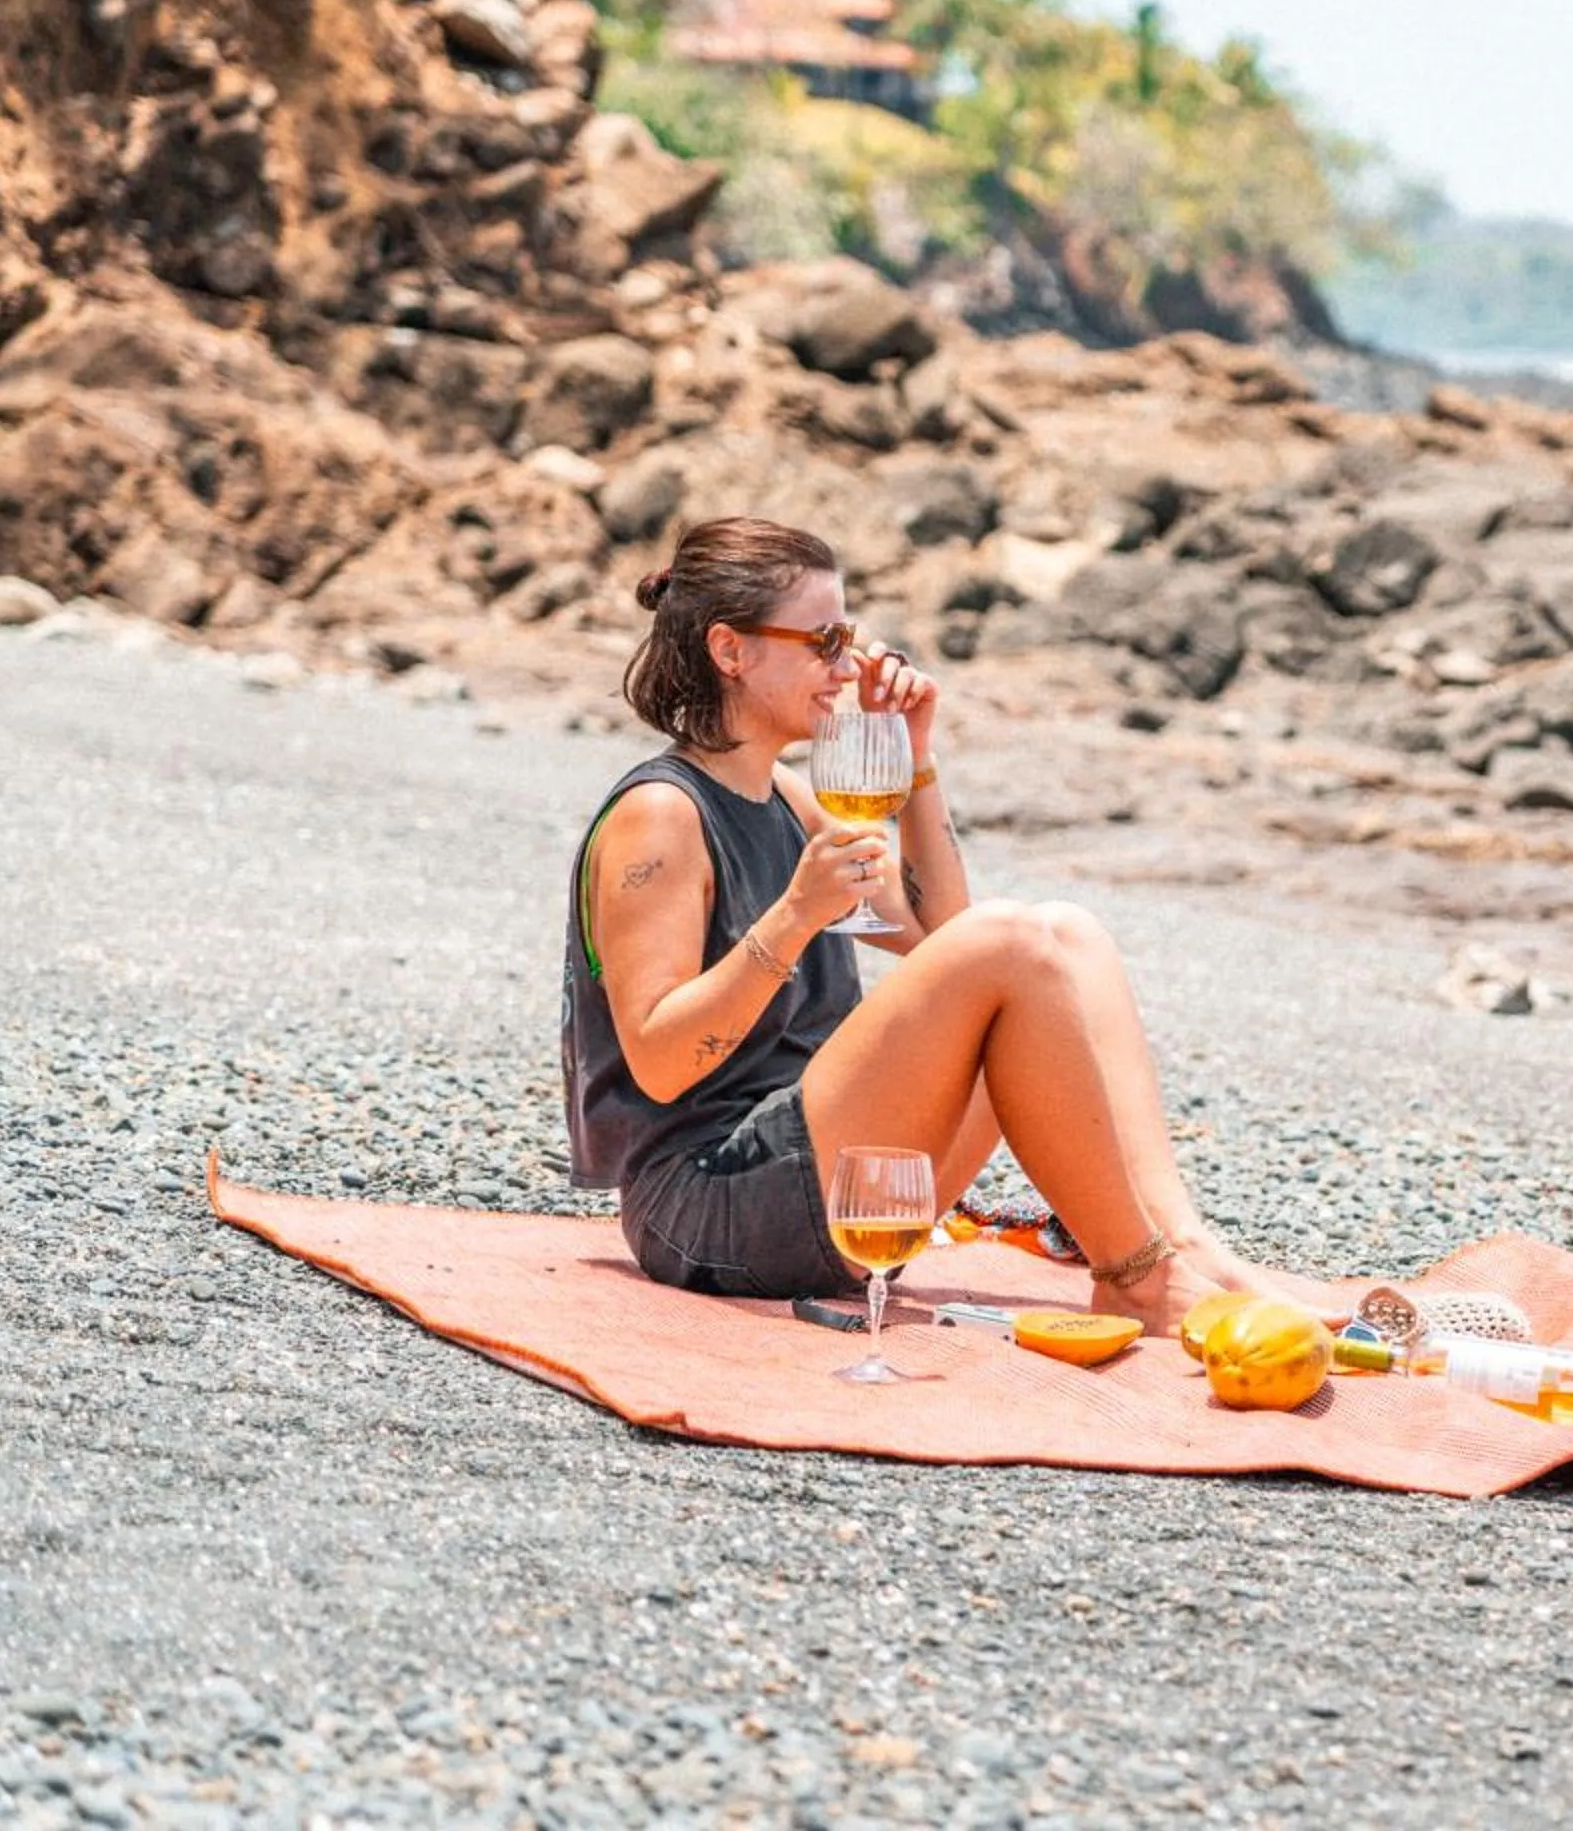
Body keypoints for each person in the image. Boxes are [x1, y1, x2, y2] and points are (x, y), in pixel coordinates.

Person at [559, 515, 1330, 1332]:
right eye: (824, 641)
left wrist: (916, 759)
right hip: (707, 1208)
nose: (848, 666)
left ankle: (1178, 1247)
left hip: (820, 1168)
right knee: (1011, 941)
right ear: (731, 650)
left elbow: (942, 934)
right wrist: (793, 919)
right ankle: (1134, 1276)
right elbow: (661, 1064)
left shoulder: (784, 794)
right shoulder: (661, 815)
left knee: (1065, 934)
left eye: (848, 637)